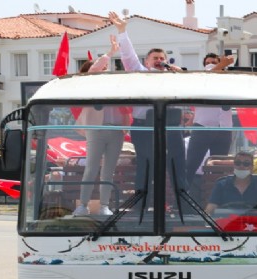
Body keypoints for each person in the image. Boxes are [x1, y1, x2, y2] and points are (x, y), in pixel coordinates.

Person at [108, 11, 183, 203]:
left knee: (175, 165)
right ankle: (141, 203)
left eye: (161, 58)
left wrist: (183, 76)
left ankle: (179, 203)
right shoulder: (140, 73)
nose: (159, 61)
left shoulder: (175, 78)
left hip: (170, 127)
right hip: (144, 128)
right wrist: (122, 31)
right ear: (146, 62)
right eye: (155, 58)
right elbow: (128, 56)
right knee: (146, 165)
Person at [73, 35, 129, 216]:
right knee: (91, 168)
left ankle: (104, 205)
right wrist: (111, 52)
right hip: (96, 129)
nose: (104, 69)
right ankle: (83, 205)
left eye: (106, 67)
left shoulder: (117, 85)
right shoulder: (89, 83)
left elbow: (127, 109)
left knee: (109, 171)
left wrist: (125, 127)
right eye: (101, 67)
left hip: (116, 130)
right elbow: (95, 69)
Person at [184, 53, 235, 186]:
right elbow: (208, 78)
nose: (210, 64)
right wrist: (221, 65)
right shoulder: (201, 78)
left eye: (214, 62)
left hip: (224, 129)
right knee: (191, 164)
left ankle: (214, 199)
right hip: (202, 128)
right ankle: (182, 197)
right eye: (207, 63)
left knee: (219, 168)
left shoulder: (229, 80)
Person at [205, 151, 257, 215]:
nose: (241, 166)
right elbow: (211, 208)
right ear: (234, 166)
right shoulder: (221, 184)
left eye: (246, 163)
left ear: (252, 167)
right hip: (226, 224)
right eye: (238, 163)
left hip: (255, 224)